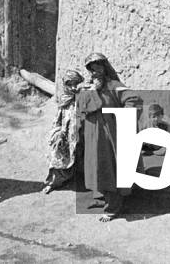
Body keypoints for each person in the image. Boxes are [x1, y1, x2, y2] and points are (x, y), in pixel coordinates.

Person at [75, 52, 141, 222]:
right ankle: (103, 198)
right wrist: (93, 90)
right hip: (92, 136)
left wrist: (123, 117)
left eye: (99, 67)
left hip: (109, 135)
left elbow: (133, 98)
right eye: (92, 69)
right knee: (95, 166)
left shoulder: (114, 85)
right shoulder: (87, 88)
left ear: (105, 68)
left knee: (109, 168)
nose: (95, 72)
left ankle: (113, 207)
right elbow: (82, 107)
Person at [43, 69, 84, 194]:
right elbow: (58, 119)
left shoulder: (84, 98)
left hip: (83, 135)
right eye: (69, 84)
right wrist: (57, 132)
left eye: (75, 83)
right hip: (67, 136)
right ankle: (54, 182)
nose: (72, 87)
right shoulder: (65, 99)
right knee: (58, 154)